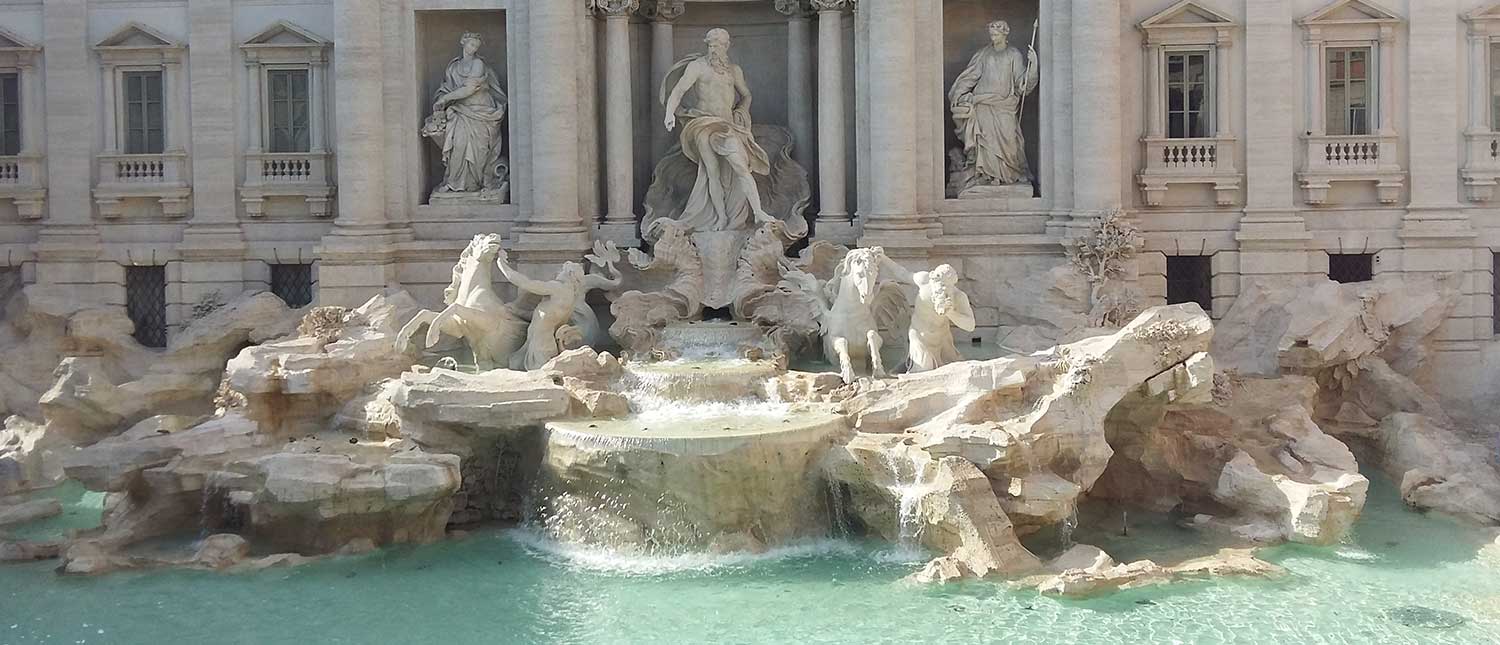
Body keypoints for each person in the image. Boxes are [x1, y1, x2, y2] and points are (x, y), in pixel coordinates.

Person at [661, 28, 774, 231]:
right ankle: (720, 217)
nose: (714, 49)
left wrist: (742, 111)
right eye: (711, 45)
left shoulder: (734, 70)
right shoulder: (698, 67)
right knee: (711, 171)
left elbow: (746, 95)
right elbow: (678, 90)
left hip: (727, 124)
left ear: (727, 46)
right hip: (703, 123)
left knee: (740, 165)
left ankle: (758, 212)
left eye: (718, 45)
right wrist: (670, 113)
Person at [949, 20, 1039, 189]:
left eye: (996, 34)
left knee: (1010, 142)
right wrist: (959, 92)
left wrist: (1032, 65)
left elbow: (1022, 83)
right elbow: (971, 76)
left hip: (1005, 105)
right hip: (983, 103)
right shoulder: (984, 54)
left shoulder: (1014, 55)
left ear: (1005, 34)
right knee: (985, 141)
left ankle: (1009, 175)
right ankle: (987, 176)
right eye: (991, 35)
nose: (993, 37)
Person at [431, 32, 507, 194]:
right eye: (471, 44)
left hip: (481, 112)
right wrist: (442, 98)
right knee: (458, 145)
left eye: (476, 46)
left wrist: (445, 99)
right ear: (463, 42)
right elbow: (447, 87)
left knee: (479, 151)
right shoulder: (453, 67)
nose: (473, 48)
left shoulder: (478, 63)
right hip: (460, 111)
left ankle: (475, 184)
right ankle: (453, 182)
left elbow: (469, 89)